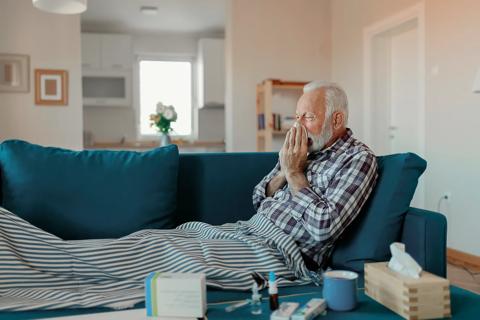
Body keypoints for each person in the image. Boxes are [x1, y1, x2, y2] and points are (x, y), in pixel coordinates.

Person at [253, 81, 379, 270]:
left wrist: (295, 173)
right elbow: (257, 198)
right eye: (297, 117)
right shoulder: (300, 150)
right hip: (250, 231)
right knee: (190, 235)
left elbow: (324, 227)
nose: (298, 127)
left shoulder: (357, 158)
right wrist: (285, 171)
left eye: (308, 117)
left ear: (336, 120)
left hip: (278, 251)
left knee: (191, 266)